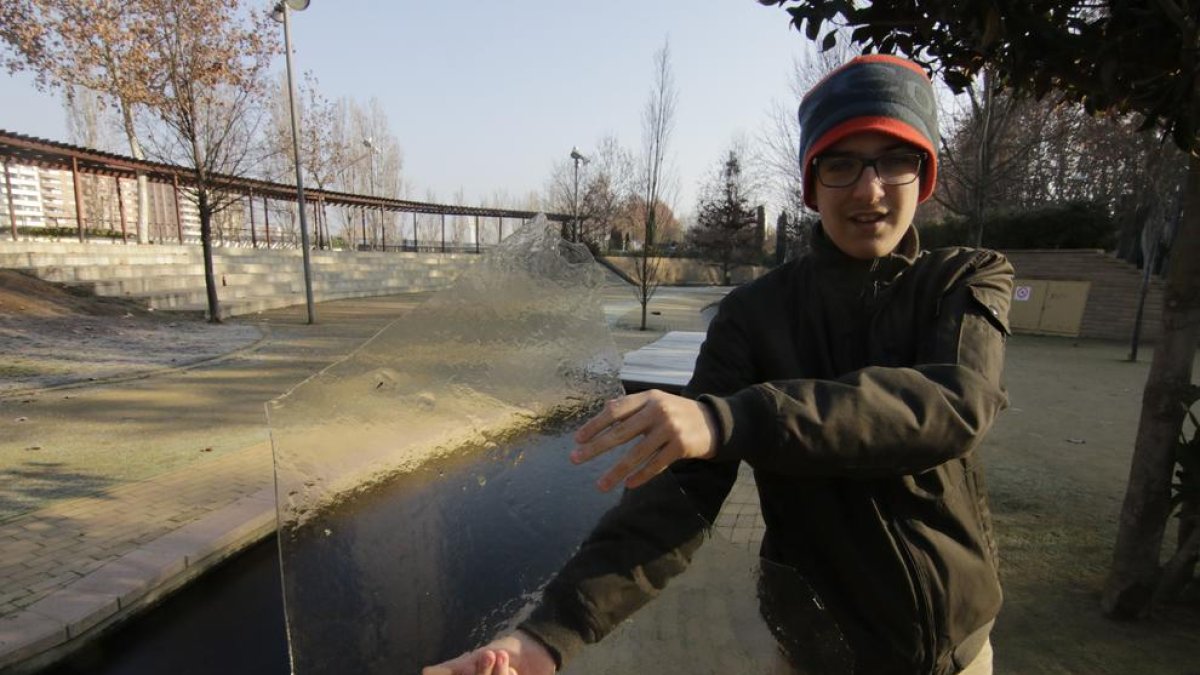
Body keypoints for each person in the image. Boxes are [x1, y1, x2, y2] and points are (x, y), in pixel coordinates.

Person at [425, 53, 1012, 675]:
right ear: (812, 184)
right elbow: (677, 502)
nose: (870, 189)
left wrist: (730, 419)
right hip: (815, 655)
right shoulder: (753, 315)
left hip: (958, 652)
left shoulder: (966, 277)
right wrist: (549, 635)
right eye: (841, 163)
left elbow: (949, 405)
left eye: (896, 159)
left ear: (924, 177)